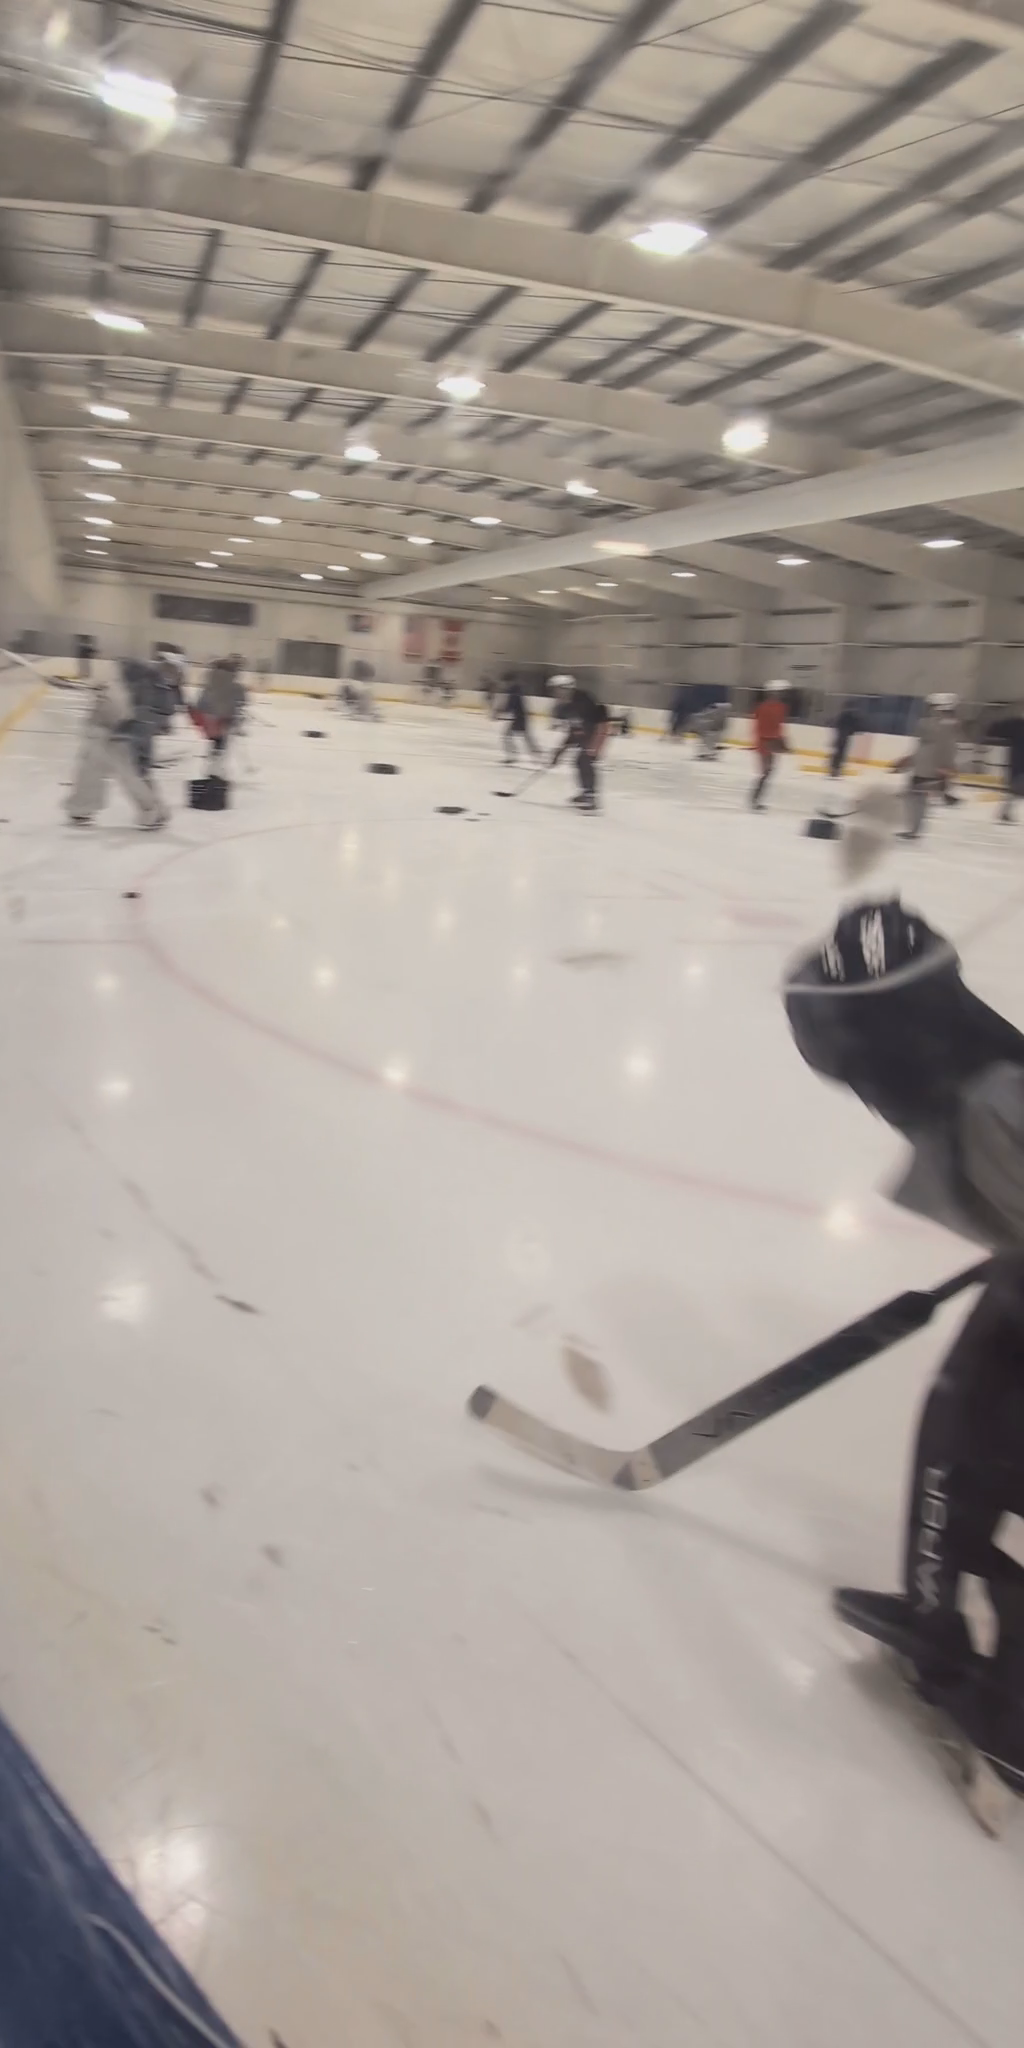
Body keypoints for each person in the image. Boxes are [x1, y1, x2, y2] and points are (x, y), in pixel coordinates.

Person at [784, 898, 1024, 1790]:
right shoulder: (961, 1077)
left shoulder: (991, 1111)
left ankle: (1012, 1725)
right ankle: (933, 1619)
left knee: (1000, 1461)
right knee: (955, 1429)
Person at [66, 661, 167, 830]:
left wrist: (121, 730)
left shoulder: (132, 691)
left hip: (114, 735)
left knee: (124, 773)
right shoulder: (127, 686)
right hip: (107, 732)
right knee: (93, 770)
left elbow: (126, 713)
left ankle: (152, 811)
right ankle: (81, 808)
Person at [896, 693, 959, 838]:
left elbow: (948, 748)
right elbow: (923, 746)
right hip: (924, 767)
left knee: (915, 798)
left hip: (931, 769)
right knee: (914, 798)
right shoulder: (934, 724)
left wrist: (946, 768)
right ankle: (914, 829)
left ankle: (914, 830)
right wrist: (909, 760)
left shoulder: (945, 726)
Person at [551, 677, 609, 813]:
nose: (555, 693)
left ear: (566, 688)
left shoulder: (584, 700)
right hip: (587, 732)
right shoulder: (565, 706)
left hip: (599, 729)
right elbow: (574, 730)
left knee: (585, 760)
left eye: (557, 689)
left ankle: (591, 796)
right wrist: (560, 751)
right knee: (579, 761)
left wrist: (591, 746)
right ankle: (586, 793)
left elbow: (594, 724)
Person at [191, 655, 246, 763]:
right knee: (221, 739)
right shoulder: (234, 685)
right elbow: (241, 700)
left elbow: (202, 699)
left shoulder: (210, 682)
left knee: (217, 738)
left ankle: (215, 752)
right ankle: (217, 755)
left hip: (211, 715)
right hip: (224, 716)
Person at [749, 682, 788, 810]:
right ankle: (755, 799)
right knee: (766, 772)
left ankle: (756, 799)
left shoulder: (781, 707)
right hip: (765, 743)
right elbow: (761, 728)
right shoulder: (764, 708)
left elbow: (778, 726)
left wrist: (781, 741)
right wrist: (772, 742)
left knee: (768, 772)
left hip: (771, 743)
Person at [987, 711, 1024, 824]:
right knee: (1016, 789)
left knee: (1016, 790)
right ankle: (1004, 812)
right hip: (1019, 765)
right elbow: (995, 729)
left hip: (1018, 764)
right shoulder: (1018, 725)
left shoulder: (1017, 725)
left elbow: (995, 729)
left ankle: (1005, 812)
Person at [501, 674, 539, 765]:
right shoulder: (517, 690)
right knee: (526, 737)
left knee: (507, 736)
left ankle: (513, 755)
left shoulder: (513, 691)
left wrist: (504, 710)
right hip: (521, 717)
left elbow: (512, 704)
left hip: (519, 718)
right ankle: (536, 755)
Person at [829, 698, 863, 780]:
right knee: (841, 753)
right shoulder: (850, 715)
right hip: (844, 736)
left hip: (841, 735)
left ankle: (834, 768)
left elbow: (837, 724)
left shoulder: (844, 715)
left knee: (838, 752)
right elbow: (855, 725)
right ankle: (836, 768)